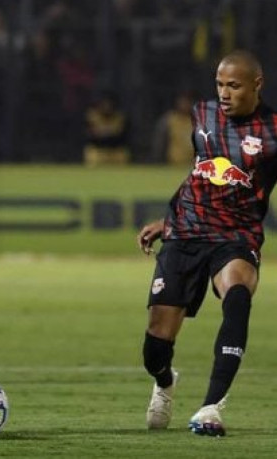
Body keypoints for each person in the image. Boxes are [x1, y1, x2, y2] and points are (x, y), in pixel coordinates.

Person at [137, 50, 275, 437]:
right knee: (155, 347)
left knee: (238, 295)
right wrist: (169, 221)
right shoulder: (202, 114)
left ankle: (211, 407)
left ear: (256, 85)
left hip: (236, 236)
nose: (225, 93)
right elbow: (201, 174)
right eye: (220, 84)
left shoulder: (273, 130)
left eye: (234, 85)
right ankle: (165, 382)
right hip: (186, 233)